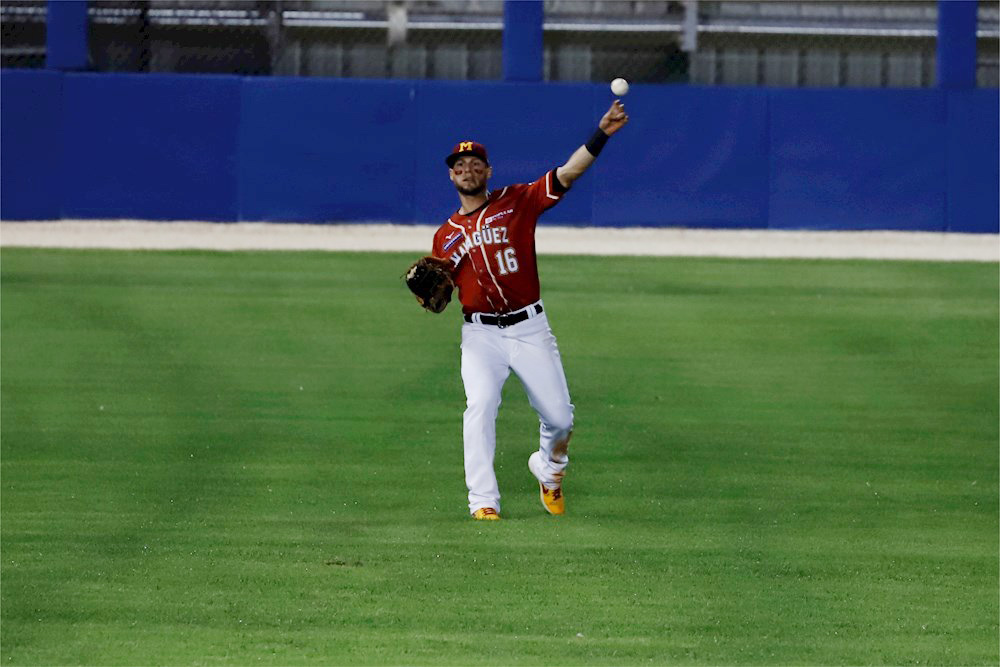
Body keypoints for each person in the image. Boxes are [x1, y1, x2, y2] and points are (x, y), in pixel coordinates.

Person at [430, 101, 629, 520]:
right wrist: (432, 295)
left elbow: (568, 174)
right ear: (451, 175)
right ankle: (482, 502)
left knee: (559, 419)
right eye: (459, 164)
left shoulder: (517, 201)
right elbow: (439, 292)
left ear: (488, 171)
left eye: (474, 163)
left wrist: (602, 134)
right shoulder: (444, 237)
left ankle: (549, 469)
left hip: (529, 328)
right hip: (480, 334)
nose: (467, 169)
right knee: (480, 405)